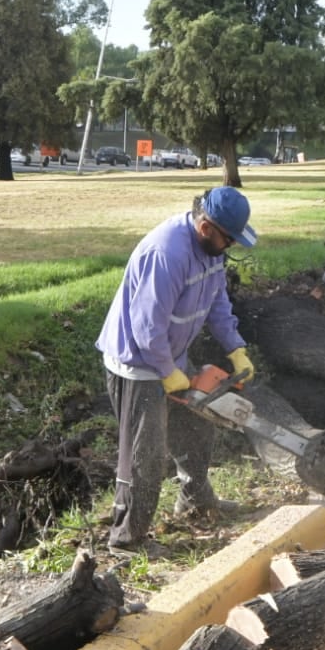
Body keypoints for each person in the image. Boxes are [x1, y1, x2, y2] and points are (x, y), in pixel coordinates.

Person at [95, 185, 258, 556]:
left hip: (171, 359)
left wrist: (236, 348)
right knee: (144, 455)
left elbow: (218, 302)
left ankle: (195, 499)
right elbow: (146, 325)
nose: (229, 246)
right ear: (206, 228)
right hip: (138, 365)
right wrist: (166, 371)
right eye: (227, 239)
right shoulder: (166, 253)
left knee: (196, 431)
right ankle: (127, 540)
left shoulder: (210, 252)